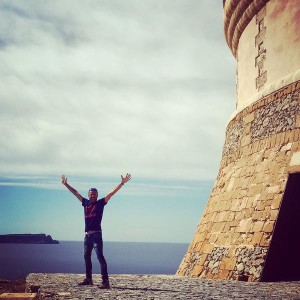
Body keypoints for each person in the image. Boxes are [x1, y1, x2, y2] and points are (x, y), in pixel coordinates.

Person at [61, 173, 131, 289]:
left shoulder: (100, 204)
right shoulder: (85, 203)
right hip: (87, 236)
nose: (93, 196)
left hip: (97, 235)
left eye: (94, 194)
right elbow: (75, 193)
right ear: (88, 195)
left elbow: (112, 193)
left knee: (100, 257)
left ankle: (105, 281)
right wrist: (66, 184)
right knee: (86, 257)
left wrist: (122, 183)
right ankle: (89, 279)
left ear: (97, 195)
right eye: (91, 194)